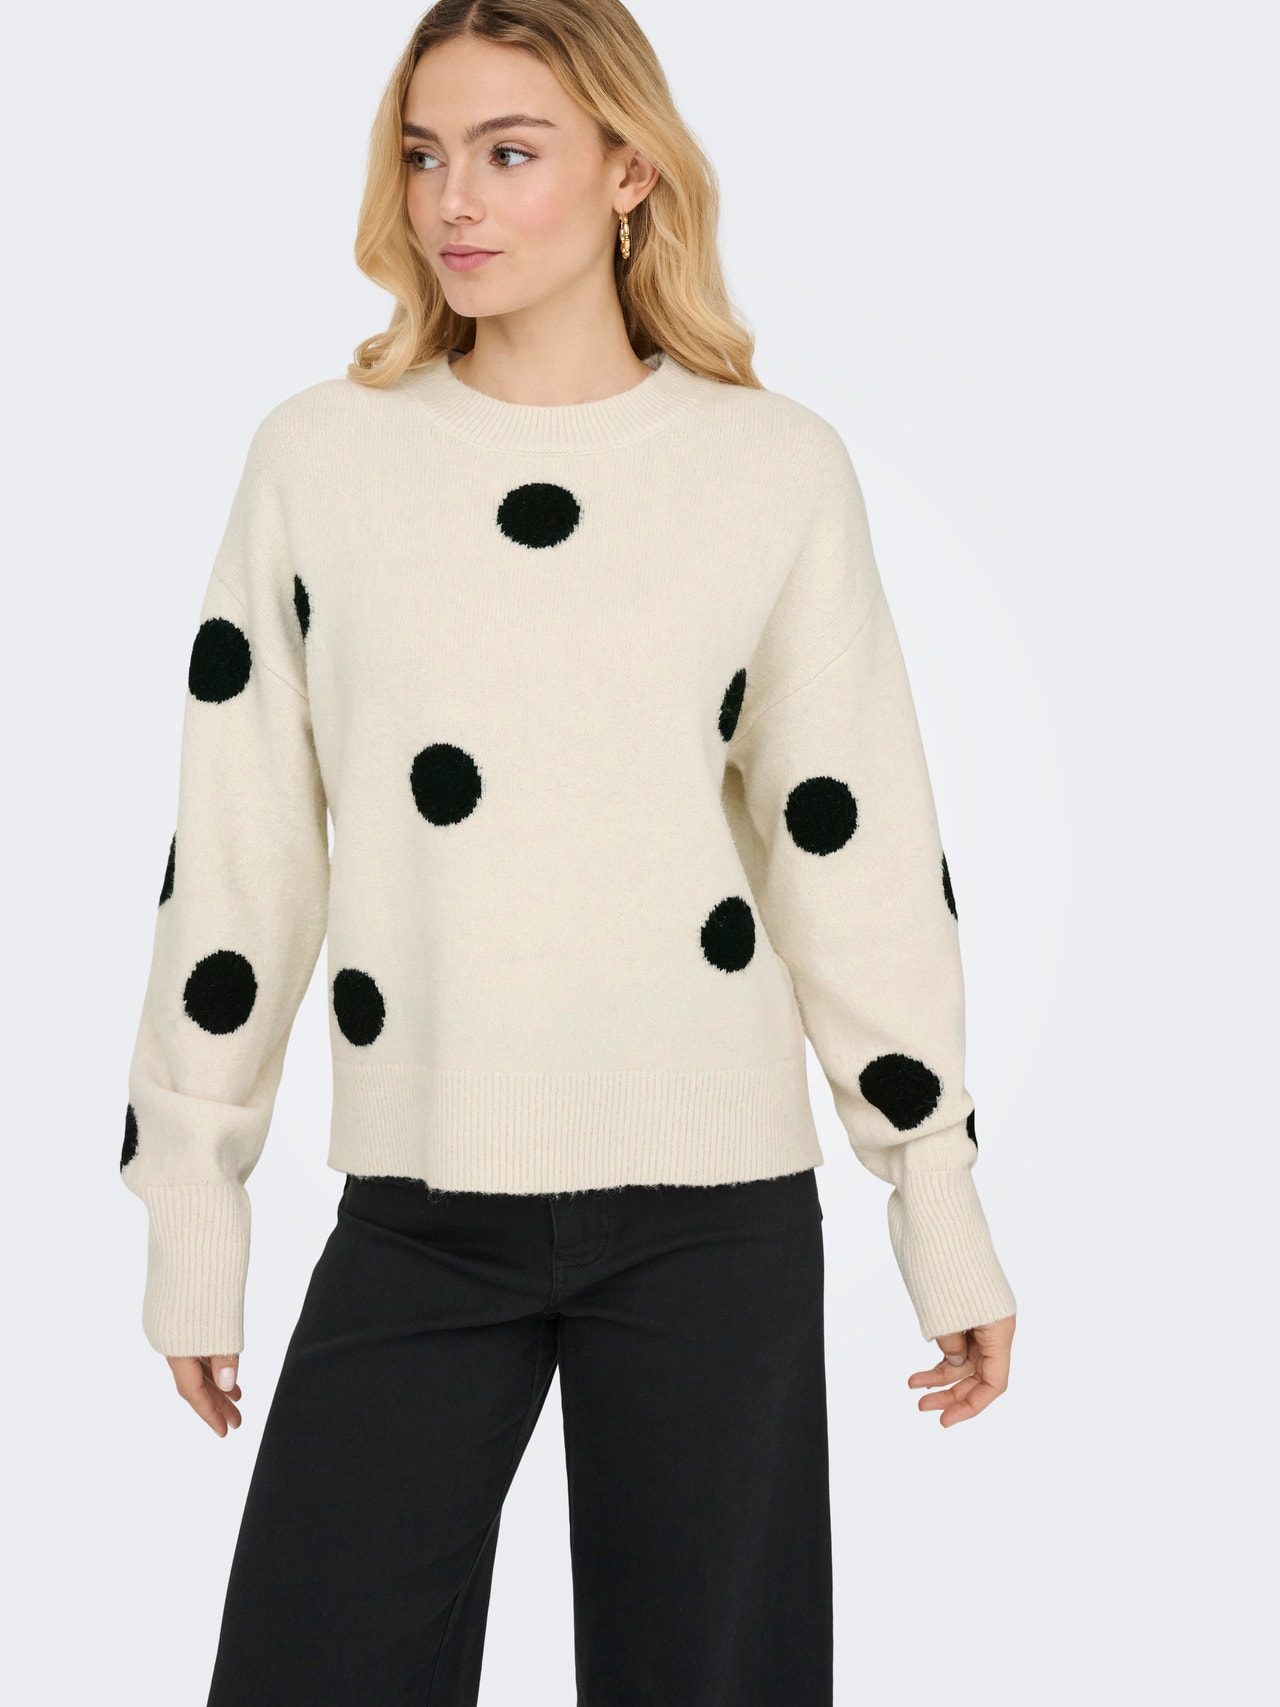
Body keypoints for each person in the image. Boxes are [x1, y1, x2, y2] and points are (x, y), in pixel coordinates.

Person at [119, 2, 1018, 1700]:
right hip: (416, 1208)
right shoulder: (319, 459)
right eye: (423, 153)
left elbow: (857, 856)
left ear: (628, 171)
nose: (453, 199)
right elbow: (239, 862)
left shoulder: (772, 468)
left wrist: (939, 1197)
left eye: (509, 151)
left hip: (715, 1219)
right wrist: (193, 1207)